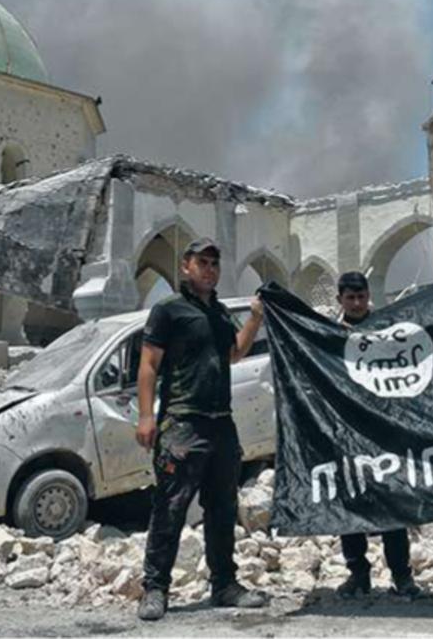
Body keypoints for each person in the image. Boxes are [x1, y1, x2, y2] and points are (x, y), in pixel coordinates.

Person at [135, 237, 270, 621]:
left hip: (220, 424)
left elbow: (233, 354)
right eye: (202, 262)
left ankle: (224, 584)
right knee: (171, 507)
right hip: (182, 423)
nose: (209, 269)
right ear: (186, 267)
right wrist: (146, 417)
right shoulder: (168, 311)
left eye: (214, 263)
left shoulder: (220, 313)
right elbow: (148, 365)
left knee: (223, 507)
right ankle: (155, 588)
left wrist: (255, 319)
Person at [331, 271, 422, 599]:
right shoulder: (328, 334)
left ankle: (402, 575)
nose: (356, 303)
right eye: (350, 298)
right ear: (340, 299)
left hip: (383, 432)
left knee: (391, 503)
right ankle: (358, 574)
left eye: (361, 297)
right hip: (345, 432)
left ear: (368, 296)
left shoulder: (386, 332)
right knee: (350, 504)